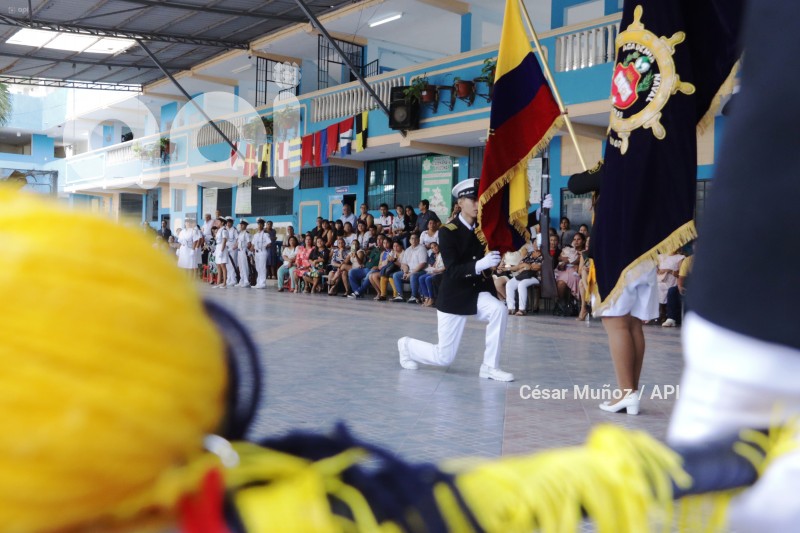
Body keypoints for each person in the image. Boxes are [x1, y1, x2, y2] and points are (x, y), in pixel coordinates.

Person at [397, 179, 513, 382]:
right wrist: (481, 264)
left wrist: (540, 214)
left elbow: (510, 224)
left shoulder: (483, 228)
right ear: (460, 202)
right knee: (444, 357)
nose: (478, 204)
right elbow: (453, 269)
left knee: (499, 310)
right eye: (472, 199)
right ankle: (406, 346)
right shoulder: (447, 231)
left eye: (479, 199)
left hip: (477, 291)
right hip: (455, 295)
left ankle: (489, 366)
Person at [251, 218, 270, 289]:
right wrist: (250, 251)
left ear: (263, 225)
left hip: (262, 252)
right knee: (258, 268)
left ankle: (262, 283)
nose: (259, 225)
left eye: (260, 224)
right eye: (258, 224)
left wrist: (264, 246)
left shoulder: (265, 234)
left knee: (262, 267)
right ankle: (258, 283)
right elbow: (252, 245)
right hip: (256, 253)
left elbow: (269, 243)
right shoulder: (255, 235)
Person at [234, 220, 252, 288]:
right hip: (239, 251)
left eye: (242, 225)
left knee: (245, 267)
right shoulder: (240, 233)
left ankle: (246, 281)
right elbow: (237, 243)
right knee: (241, 267)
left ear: (245, 226)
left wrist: (246, 249)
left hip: (244, 251)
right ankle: (241, 281)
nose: (241, 226)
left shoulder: (246, 233)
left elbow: (249, 243)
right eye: (240, 225)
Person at [213, 217, 229, 288]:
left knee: (223, 266)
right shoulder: (219, 230)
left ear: (222, 223)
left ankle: (224, 283)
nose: (217, 223)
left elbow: (224, 241)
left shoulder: (224, 230)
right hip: (218, 247)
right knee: (218, 266)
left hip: (222, 248)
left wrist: (221, 251)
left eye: (218, 221)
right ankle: (218, 283)